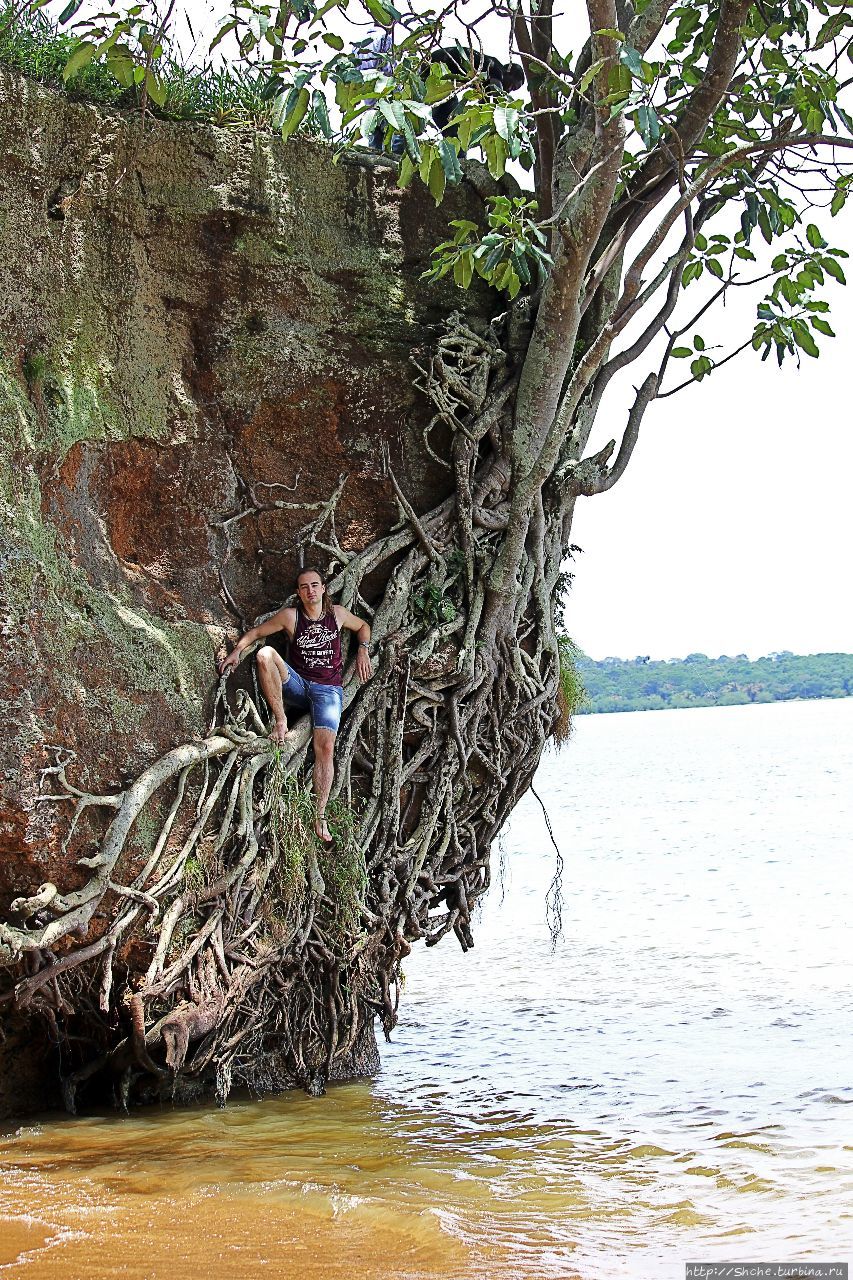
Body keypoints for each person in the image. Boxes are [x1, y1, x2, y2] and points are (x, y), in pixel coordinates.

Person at [219, 566, 373, 842]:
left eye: (315, 585)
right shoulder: (291, 618)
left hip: (328, 691)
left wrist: (362, 650)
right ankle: (281, 721)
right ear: (298, 593)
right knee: (265, 654)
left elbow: (363, 626)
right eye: (304, 587)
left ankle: (319, 815)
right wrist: (237, 651)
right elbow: (256, 634)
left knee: (325, 747)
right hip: (298, 685)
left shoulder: (337, 615)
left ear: (323, 588)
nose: (310, 590)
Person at [427, 47, 525, 136]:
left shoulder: (486, 81)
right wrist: (519, 120)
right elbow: (498, 97)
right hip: (438, 67)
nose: (508, 90)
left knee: (453, 128)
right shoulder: (497, 69)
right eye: (512, 86)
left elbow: (483, 105)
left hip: (439, 76)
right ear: (509, 71)